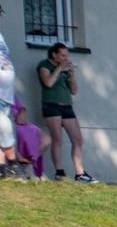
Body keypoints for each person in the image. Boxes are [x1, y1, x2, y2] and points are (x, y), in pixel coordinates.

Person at [37, 42, 94, 183]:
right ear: (54, 54)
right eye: (62, 55)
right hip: (51, 105)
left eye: (67, 55)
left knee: (78, 139)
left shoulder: (65, 67)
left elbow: (74, 91)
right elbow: (48, 83)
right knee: (57, 139)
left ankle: (79, 173)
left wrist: (72, 75)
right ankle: (59, 172)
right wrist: (59, 69)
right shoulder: (44, 65)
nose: (65, 58)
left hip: (67, 105)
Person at [0, 16, 19, 179]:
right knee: (2, 125)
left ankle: (6, 165)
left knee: (2, 127)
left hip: (4, 89)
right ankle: (9, 162)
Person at [10, 101, 49, 179]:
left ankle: (33, 165)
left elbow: (47, 140)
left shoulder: (31, 127)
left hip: (31, 160)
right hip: (12, 126)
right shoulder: (15, 126)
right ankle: (25, 166)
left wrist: (34, 156)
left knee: (46, 139)